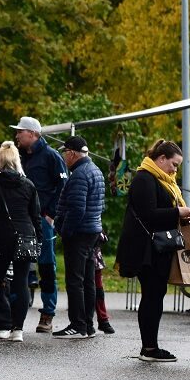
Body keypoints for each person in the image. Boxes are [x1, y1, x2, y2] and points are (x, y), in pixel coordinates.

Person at [116, 139, 190, 362]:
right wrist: (177, 212)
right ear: (161, 159)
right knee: (152, 297)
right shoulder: (144, 178)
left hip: (156, 248)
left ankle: (150, 346)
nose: (175, 170)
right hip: (146, 250)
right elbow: (148, 214)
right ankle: (150, 348)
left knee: (154, 296)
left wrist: (181, 214)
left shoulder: (159, 179)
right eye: (174, 164)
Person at [0, 142, 41, 341]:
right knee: (21, 283)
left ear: (0, 161)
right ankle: (18, 330)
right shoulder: (28, 184)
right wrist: (39, 240)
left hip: (2, 237)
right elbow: (36, 216)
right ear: (17, 160)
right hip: (25, 237)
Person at [11, 116, 67, 333]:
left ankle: (47, 313)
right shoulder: (19, 158)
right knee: (19, 265)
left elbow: (64, 186)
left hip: (43, 220)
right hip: (22, 220)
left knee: (46, 266)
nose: (17, 135)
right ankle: (15, 315)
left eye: (20, 132)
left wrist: (50, 214)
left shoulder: (52, 156)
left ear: (33, 134)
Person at [52, 135, 105, 340]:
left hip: (79, 233)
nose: (64, 156)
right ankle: (88, 325)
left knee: (75, 280)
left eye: (65, 152)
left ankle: (77, 324)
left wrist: (65, 231)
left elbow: (76, 209)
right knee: (88, 280)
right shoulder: (96, 170)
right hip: (92, 231)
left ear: (72, 153)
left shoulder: (79, 174)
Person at [93, 233, 114, 334]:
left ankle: (103, 320)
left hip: (94, 258)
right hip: (79, 254)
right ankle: (83, 322)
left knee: (98, 291)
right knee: (81, 290)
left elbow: (103, 237)